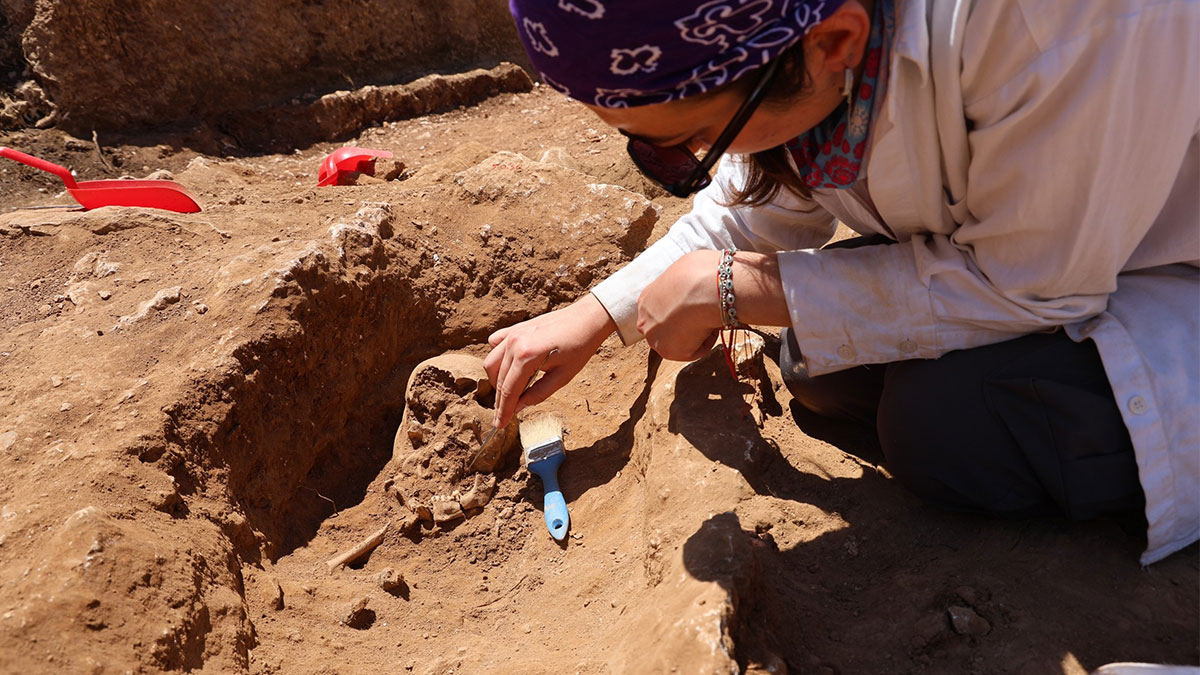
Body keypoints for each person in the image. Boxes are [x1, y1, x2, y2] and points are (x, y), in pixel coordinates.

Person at [486, 0, 1199, 565]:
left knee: (943, 425)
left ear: (834, 44)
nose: (682, 167)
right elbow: (750, 207)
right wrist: (591, 315)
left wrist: (728, 290)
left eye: (692, 143)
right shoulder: (798, 45)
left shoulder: (1061, 24)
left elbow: (1029, 282)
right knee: (816, 365)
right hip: (1060, 251)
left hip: (1161, 270)